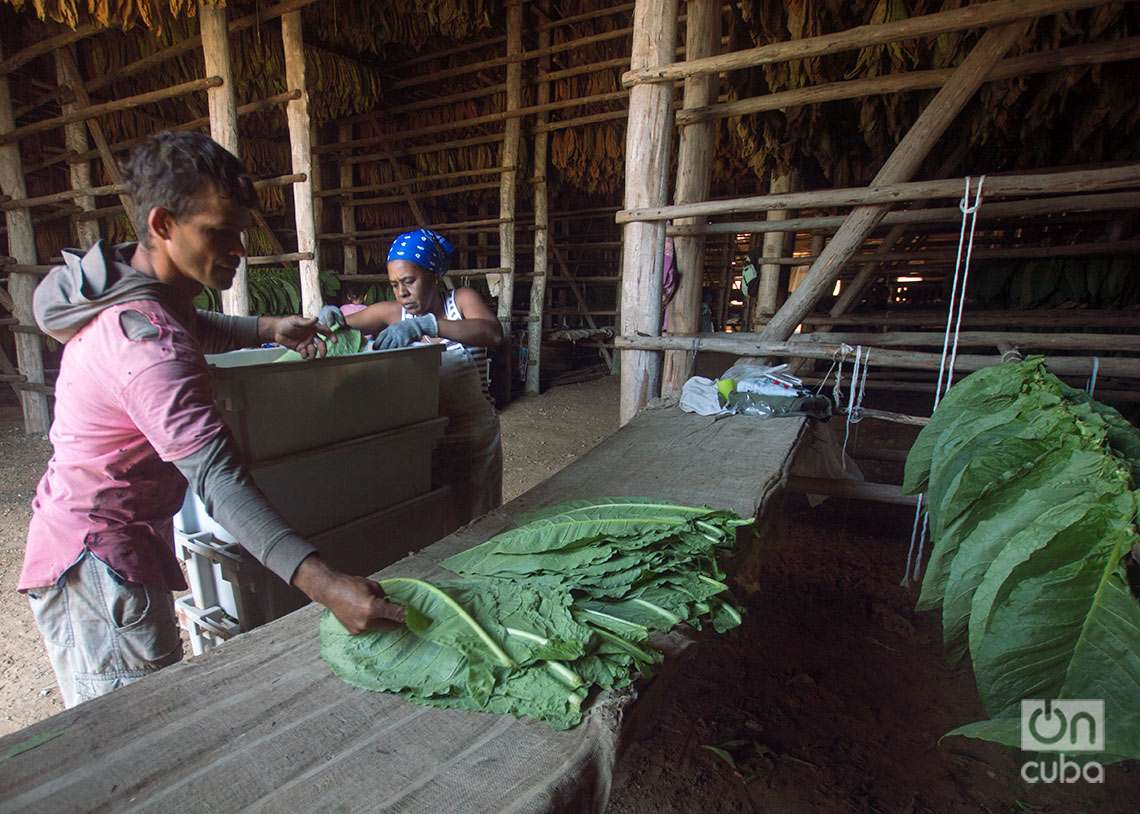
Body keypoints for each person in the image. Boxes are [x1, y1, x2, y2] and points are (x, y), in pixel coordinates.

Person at [20, 131, 404, 709]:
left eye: (238, 233)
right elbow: (218, 481)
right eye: (217, 233)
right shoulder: (147, 349)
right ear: (162, 224)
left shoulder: (137, 285)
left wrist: (267, 328)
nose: (236, 250)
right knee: (137, 739)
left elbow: (189, 323)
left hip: (103, 541)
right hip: (98, 565)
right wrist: (327, 588)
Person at [319, 229, 503, 526]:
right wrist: (328, 319)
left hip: (474, 436)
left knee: (479, 519)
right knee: (432, 521)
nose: (402, 293)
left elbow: (492, 333)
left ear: (433, 275)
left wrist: (430, 325)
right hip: (424, 439)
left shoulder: (460, 300)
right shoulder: (392, 313)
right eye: (394, 285)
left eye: (409, 281)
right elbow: (334, 329)